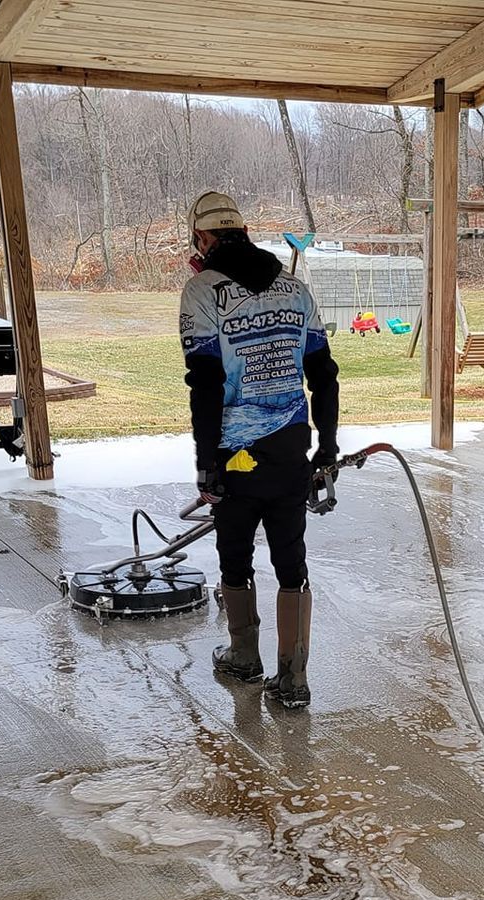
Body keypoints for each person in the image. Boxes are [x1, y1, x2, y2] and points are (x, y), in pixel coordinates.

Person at [179, 190, 339, 710]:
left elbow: (203, 383)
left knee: (235, 553)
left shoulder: (202, 290)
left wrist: (207, 463)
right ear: (244, 233)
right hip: (292, 444)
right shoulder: (296, 290)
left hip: (234, 454)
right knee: (291, 559)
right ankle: (294, 681)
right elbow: (324, 375)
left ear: (203, 238)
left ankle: (244, 657)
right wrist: (328, 446)